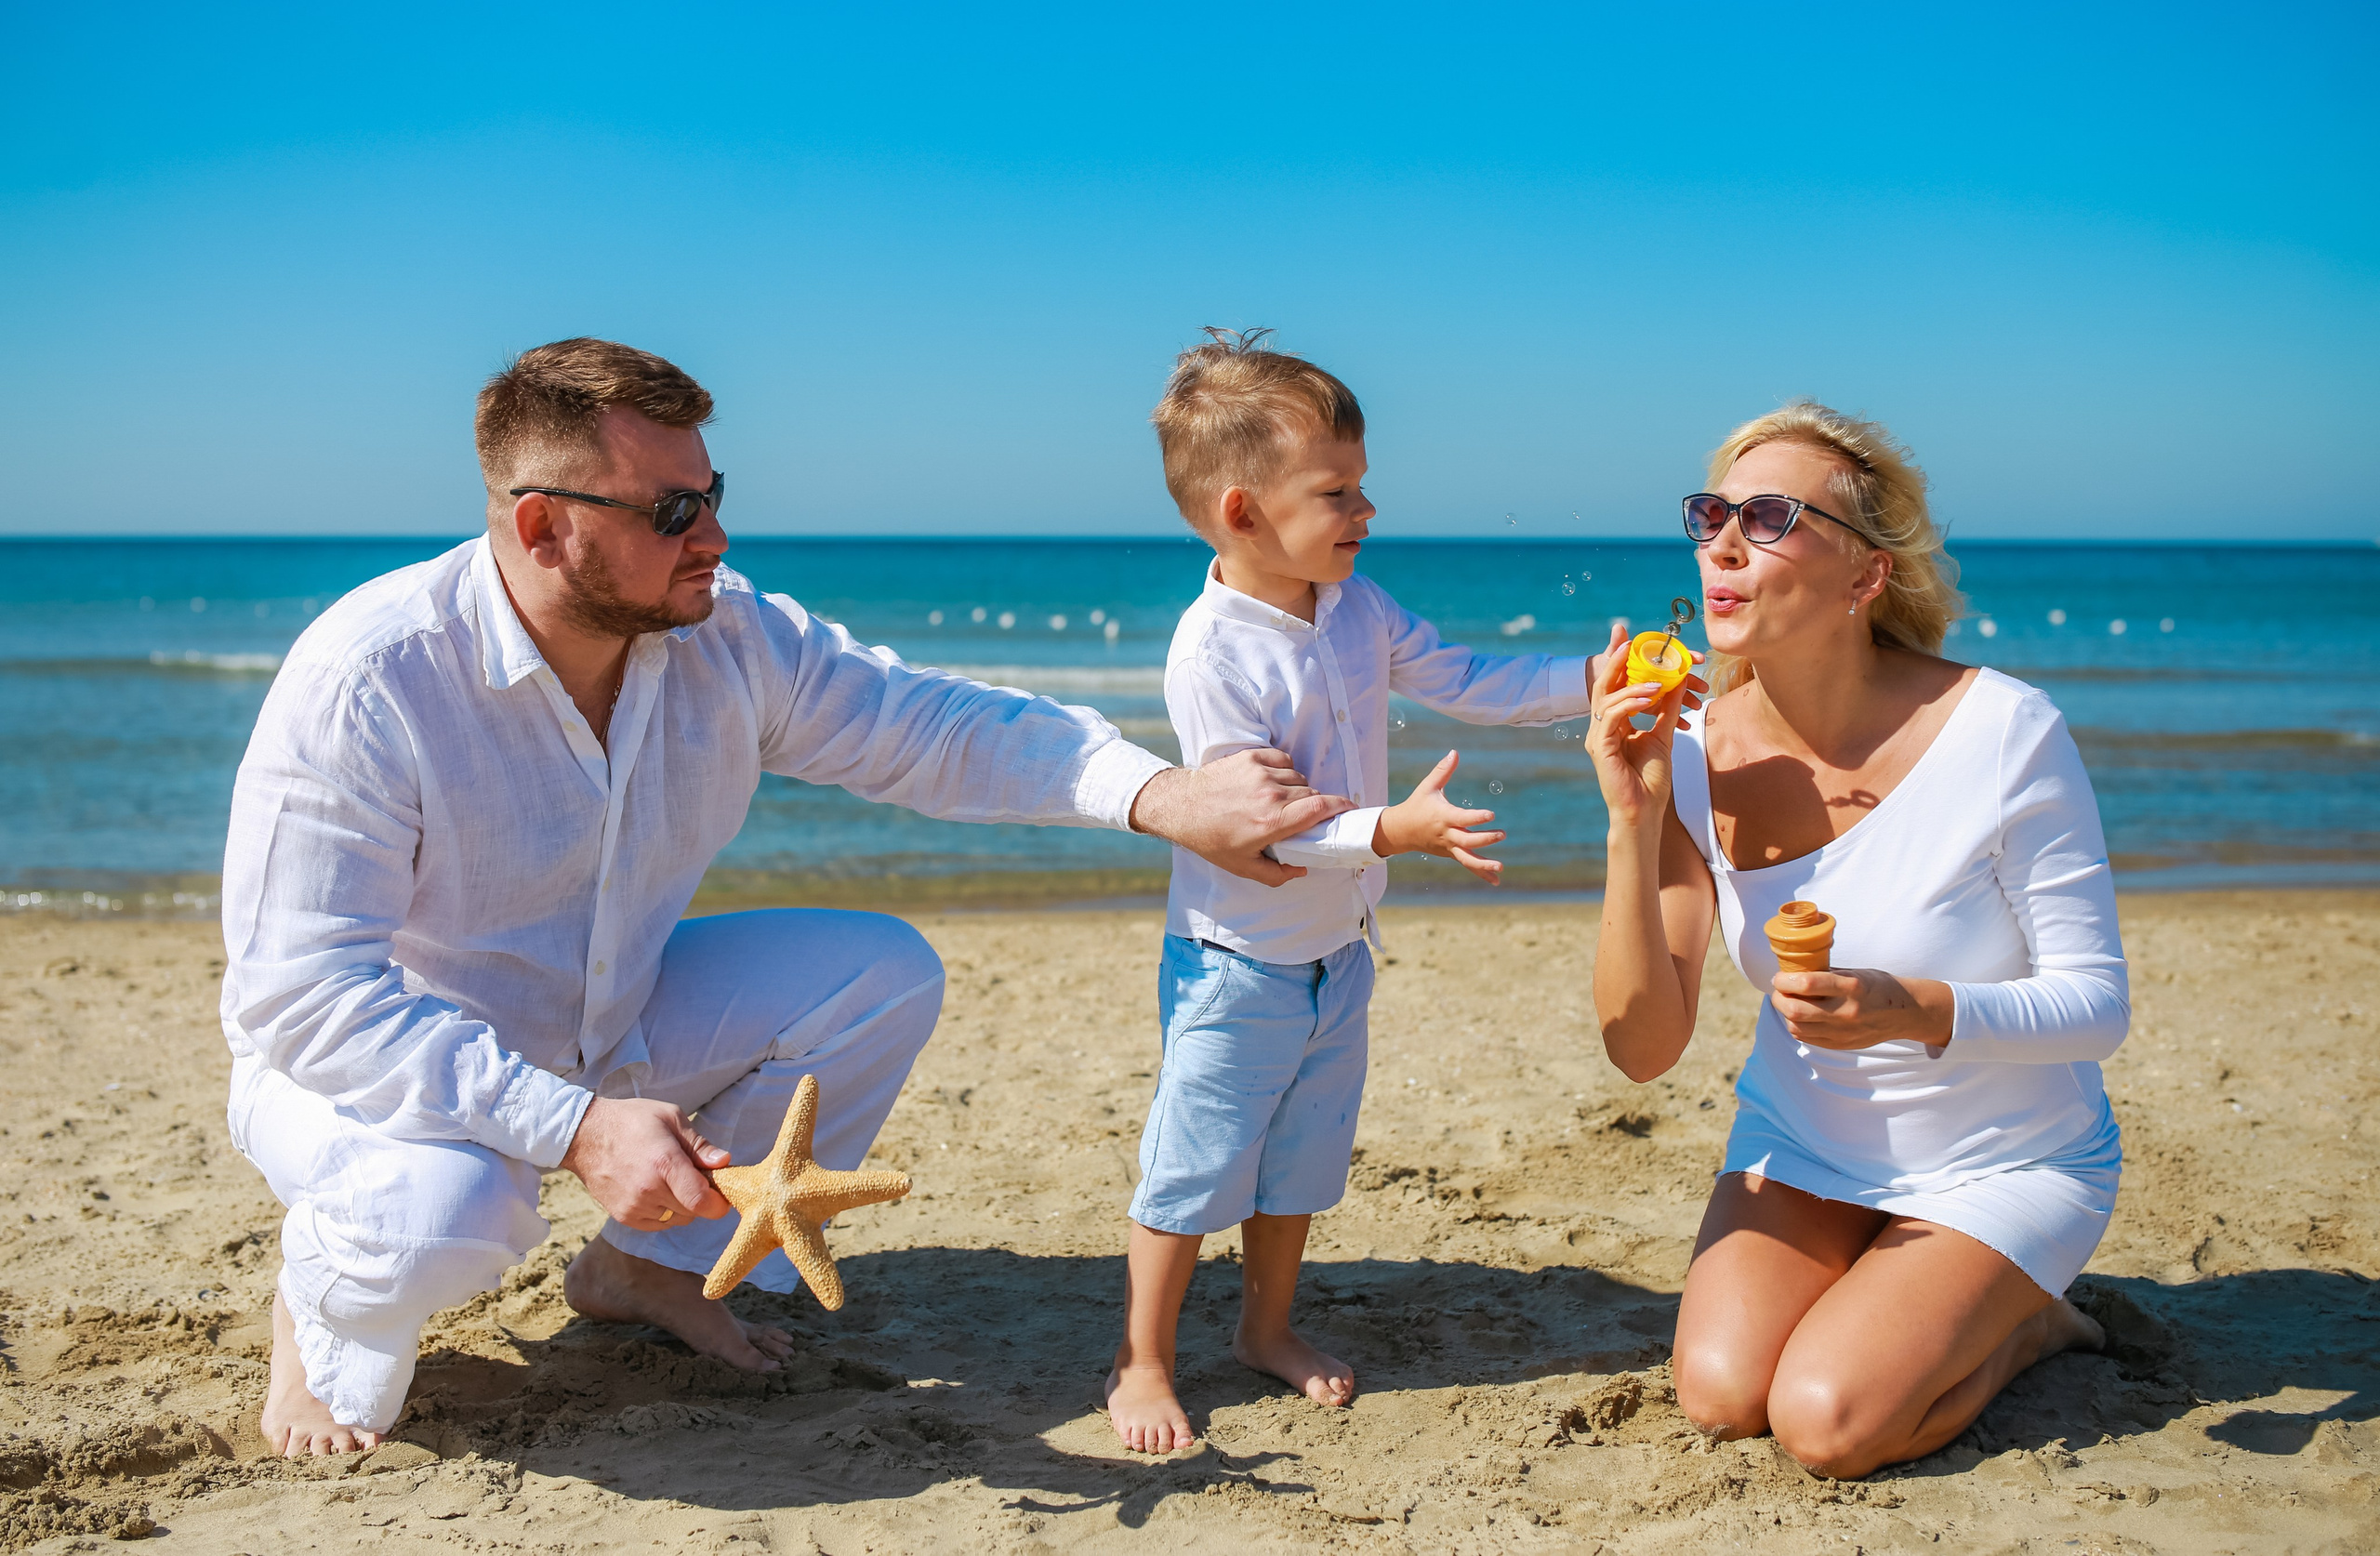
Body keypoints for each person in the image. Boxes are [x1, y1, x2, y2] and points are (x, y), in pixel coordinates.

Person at [222, 337, 1359, 1457]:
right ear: (542, 526)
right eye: (671, 512)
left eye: (712, 495)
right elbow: (305, 999)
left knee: (879, 977)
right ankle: (314, 1307)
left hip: (601, 1022)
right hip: (374, 1072)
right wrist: (570, 1127)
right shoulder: (372, 676)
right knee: (446, 1216)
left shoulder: (726, 634)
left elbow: (927, 726)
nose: (713, 535)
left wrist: (1161, 793)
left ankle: (640, 1271)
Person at [1585, 401, 2122, 1479]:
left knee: (1827, 1425)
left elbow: (2096, 1008)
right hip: (1803, 1144)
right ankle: (1904, 1293)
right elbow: (1642, 1048)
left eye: (1771, 516)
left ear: (1864, 577)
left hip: (2003, 1161)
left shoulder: (2004, 732)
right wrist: (1631, 821)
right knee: (1719, 1398)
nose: (1723, 545)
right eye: (1710, 514)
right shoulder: (1686, 747)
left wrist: (1907, 1007)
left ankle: (2031, 1321)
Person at [1104, 331, 1601, 1453]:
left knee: (1301, 1164)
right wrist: (1396, 829)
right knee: (1194, 1166)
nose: (1364, 509)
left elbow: (1468, 678)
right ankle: (1141, 1358)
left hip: (1339, 951)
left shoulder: (1358, 606)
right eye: (1336, 491)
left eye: (1361, 485)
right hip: (1236, 960)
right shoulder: (1211, 655)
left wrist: (1587, 680)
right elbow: (1266, 829)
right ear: (1241, 513)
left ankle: (1265, 1330)